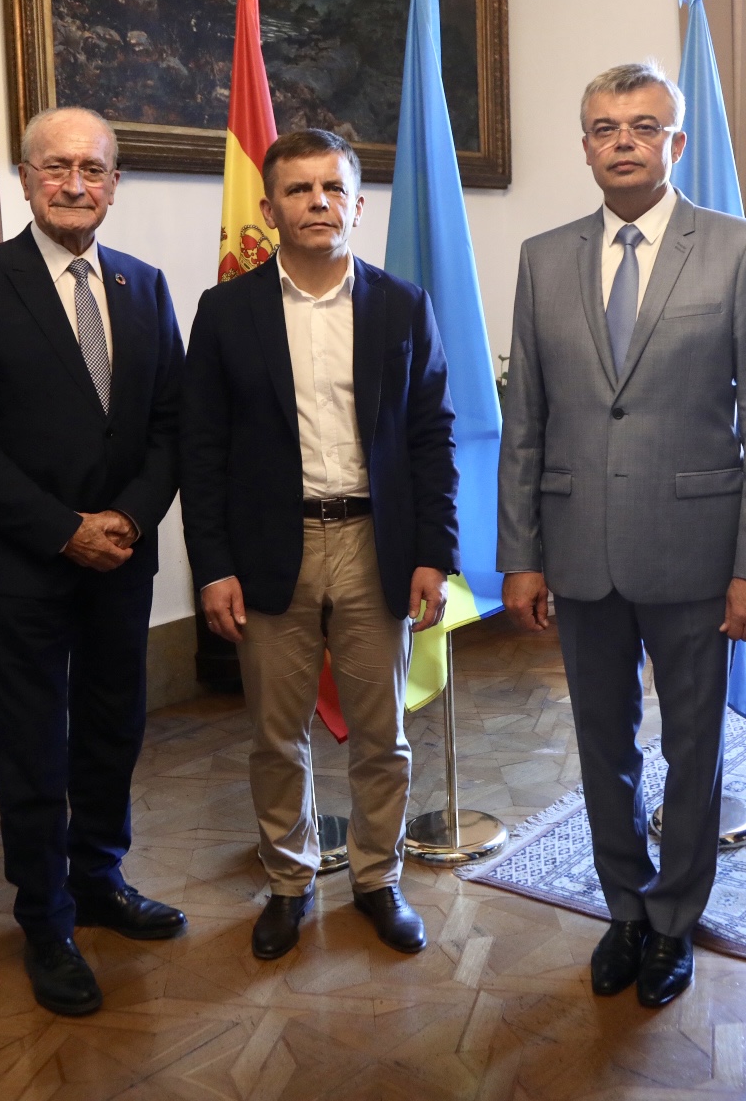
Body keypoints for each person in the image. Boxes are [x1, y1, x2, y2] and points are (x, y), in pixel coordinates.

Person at [498, 62, 746, 1009]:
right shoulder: (544, 258)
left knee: (691, 747)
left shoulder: (741, 249)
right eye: (602, 127)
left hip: (698, 551)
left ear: (676, 142)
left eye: (642, 125)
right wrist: (522, 553)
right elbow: (527, 421)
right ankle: (623, 904)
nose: (621, 141)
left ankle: (674, 919)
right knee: (602, 742)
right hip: (580, 549)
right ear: (583, 144)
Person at [0, 106, 187, 1017]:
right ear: (26, 177)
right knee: (34, 749)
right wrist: (61, 527)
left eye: (95, 169)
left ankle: (100, 881)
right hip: (18, 566)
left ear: (115, 181)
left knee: (115, 729)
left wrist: (127, 518)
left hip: (121, 560)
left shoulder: (146, 286)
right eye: (56, 168)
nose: (75, 184)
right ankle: (46, 919)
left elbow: (168, 427)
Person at [179, 128, 458, 962]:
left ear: (358, 205)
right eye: (298, 190)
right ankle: (290, 882)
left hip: (376, 543)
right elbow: (203, 450)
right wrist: (214, 564)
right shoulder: (225, 312)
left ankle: (378, 879)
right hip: (275, 550)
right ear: (267, 210)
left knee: (383, 736)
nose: (317, 203)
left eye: (332, 188)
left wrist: (433, 552)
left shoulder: (401, 305)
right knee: (276, 735)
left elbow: (431, 436)